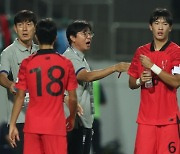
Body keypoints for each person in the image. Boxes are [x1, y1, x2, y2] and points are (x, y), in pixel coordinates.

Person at [8, 18, 78, 154]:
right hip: (55, 127)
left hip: (32, 126)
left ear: (36, 37)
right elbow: (73, 98)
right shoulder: (66, 63)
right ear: (56, 37)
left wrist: (12, 124)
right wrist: (72, 117)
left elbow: (20, 96)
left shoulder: (27, 63)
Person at [63, 20, 130, 154]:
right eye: (84, 34)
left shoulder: (81, 59)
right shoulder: (70, 58)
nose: (89, 37)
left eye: (90, 34)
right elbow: (86, 76)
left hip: (83, 122)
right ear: (72, 37)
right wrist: (115, 68)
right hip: (75, 122)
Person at [128, 8, 180, 154]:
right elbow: (131, 83)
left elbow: (176, 81)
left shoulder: (176, 52)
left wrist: (153, 67)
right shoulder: (141, 52)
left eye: (164, 24)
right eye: (157, 23)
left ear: (170, 28)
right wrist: (140, 81)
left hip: (168, 120)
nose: (161, 27)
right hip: (146, 120)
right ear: (150, 26)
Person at [0, 10, 38, 154]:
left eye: (28, 24)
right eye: (20, 25)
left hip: (42, 119)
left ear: (35, 27)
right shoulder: (7, 53)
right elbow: (1, 75)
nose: (24, 28)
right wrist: (10, 84)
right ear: (15, 29)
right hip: (20, 120)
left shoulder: (41, 51)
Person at [92, 80, 106, 154]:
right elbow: (103, 101)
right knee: (96, 146)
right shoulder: (97, 83)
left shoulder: (80, 80)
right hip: (95, 117)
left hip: (82, 119)